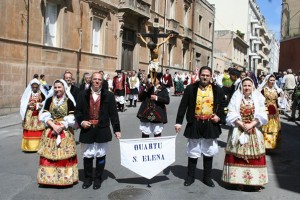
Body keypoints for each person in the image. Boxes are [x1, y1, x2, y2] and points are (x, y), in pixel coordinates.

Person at [175, 66, 226, 187]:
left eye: (207, 75)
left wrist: (219, 118)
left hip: (210, 123)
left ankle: (207, 177)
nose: (205, 77)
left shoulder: (217, 90)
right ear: (199, 75)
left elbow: (224, 106)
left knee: (208, 152)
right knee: (193, 151)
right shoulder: (191, 88)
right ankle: (190, 176)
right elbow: (183, 106)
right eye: (203, 75)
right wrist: (178, 122)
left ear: (211, 76)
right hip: (195, 122)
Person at [75, 72, 121, 190]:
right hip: (87, 129)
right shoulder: (82, 94)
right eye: (94, 79)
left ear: (102, 81)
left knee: (100, 155)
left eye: (99, 80)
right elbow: (78, 111)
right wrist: (81, 122)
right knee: (88, 155)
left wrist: (117, 129)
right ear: (91, 81)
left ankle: (98, 178)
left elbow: (113, 114)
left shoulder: (109, 95)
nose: (96, 81)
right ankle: (88, 178)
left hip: (102, 129)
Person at [222, 77, 268, 191]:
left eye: (249, 85)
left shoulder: (258, 98)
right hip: (239, 129)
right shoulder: (236, 97)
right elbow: (230, 113)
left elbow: (263, 113)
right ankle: (238, 181)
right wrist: (242, 124)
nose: (247, 88)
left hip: (254, 130)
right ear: (241, 87)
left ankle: (254, 181)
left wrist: (251, 124)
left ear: (253, 87)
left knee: (254, 155)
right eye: (245, 86)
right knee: (237, 155)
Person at [37, 79, 78, 186]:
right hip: (51, 128)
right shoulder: (49, 100)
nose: (57, 89)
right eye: (55, 87)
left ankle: (64, 178)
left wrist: (62, 126)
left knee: (64, 154)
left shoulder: (69, 101)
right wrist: (54, 126)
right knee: (49, 155)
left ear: (64, 88)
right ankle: (49, 179)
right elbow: (45, 115)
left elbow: (72, 117)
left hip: (64, 130)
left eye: (59, 87)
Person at [137, 72, 170, 138]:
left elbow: (167, 100)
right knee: (145, 133)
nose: (153, 81)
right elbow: (140, 98)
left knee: (157, 133)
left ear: (158, 80)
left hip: (157, 114)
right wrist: (146, 89)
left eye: (155, 79)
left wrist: (157, 98)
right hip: (146, 113)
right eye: (152, 79)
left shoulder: (163, 89)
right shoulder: (148, 87)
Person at [20, 78, 47, 152]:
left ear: (38, 87)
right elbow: (23, 102)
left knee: (39, 129)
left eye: (36, 87)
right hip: (30, 114)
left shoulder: (41, 93)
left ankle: (39, 145)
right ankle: (29, 146)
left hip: (38, 113)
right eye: (33, 87)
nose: (35, 88)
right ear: (31, 87)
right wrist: (28, 104)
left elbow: (46, 101)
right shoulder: (28, 94)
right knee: (30, 130)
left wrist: (41, 104)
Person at [258, 74, 283, 150]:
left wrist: (281, 98)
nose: (272, 82)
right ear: (267, 81)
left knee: (274, 128)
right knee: (265, 127)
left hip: (274, 111)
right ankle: (264, 145)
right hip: (266, 109)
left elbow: (281, 99)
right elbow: (258, 97)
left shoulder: (277, 90)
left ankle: (272, 144)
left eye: (273, 80)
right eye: (270, 80)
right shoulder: (263, 90)